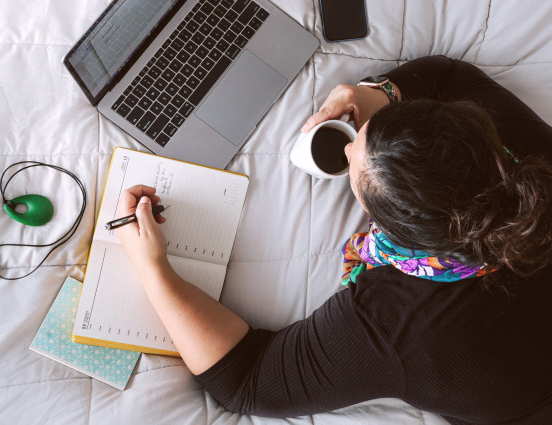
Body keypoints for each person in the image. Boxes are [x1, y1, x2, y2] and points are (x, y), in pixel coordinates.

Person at [116, 55, 552, 424]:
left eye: (355, 171)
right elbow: (451, 77)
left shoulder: (395, 323)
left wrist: (152, 268)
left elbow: (248, 380)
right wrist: (379, 94)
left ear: (397, 230)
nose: (346, 151)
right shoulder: (525, 147)